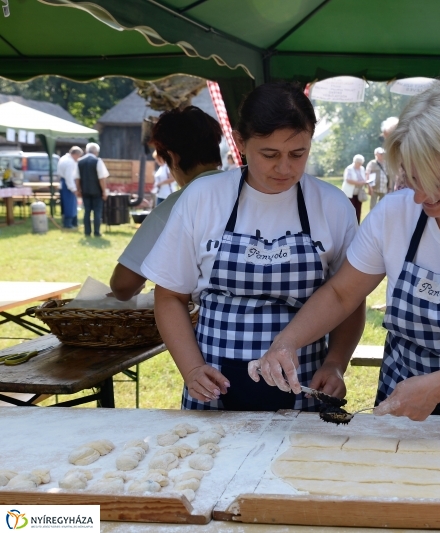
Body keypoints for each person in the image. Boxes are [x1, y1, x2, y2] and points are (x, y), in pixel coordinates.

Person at [252, 80, 440, 420]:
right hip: (404, 401)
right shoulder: (393, 215)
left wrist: (436, 387)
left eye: (439, 181)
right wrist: (287, 342)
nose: (420, 197)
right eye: (413, 178)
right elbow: (341, 294)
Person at [141, 82, 363, 412]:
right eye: (270, 154)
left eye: (298, 154)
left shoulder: (332, 206)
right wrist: (191, 368)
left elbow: (349, 299)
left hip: (304, 385)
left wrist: (334, 363)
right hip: (214, 385)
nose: (285, 168)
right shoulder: (204, 198)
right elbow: (170, 295)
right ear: (241, 142)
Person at [110, 106, 224, 301]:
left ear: (172, 157)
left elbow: (122, 285)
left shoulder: (175, 207)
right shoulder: (252, 191)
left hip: (203, 324)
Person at [75, 142, 109, 237]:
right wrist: (104, 191)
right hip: (97, 191)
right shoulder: (98, 161)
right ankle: (97, 232)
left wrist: (78, 190)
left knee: (87, 212)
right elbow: (102, 178)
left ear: (86, 151)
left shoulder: (79, 161)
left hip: (85, 190)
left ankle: (87, 232)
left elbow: (77, 178)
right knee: (97, 212)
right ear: (96, 152)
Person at [57, 146, 82, 229]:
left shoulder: (63, 158)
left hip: (63, 183)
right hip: (68, 185)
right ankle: (68, 223)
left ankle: (72, 222)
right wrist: (73, 188)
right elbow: (69, 177)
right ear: (75, 154)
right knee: (69, 204)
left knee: (69, 204)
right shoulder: (70, 162)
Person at [341, 154, 367, 223]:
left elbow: (364, 178)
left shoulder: (362, 169)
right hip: (350, 193)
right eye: (358, 163)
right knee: (350, 209)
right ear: (355, 162)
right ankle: (349, 223)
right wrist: (358, 183)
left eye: (361, 163)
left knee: (358, 209)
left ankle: (357, 224)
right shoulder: (349, 168)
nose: (360, 165)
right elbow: (348, 179)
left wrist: (365, 182)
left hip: (359, 193)